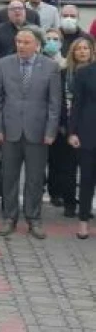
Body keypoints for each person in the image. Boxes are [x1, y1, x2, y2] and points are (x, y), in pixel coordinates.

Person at [0, 27, 61, 239]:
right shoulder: (3, 64)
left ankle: (34, 218)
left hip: (38, 132)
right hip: (10, 130)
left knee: (35, 178)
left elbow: (54, 103)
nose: (21, 46)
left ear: (37, 45)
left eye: (26, 42)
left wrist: (51, 131)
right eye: (18, 41)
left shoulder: (51, 67)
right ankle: (9, 217)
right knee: (9, 177)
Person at [52, 36, 92, 217]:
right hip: (65, 127)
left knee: (89, 171)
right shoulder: (62, 73)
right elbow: (56, 100)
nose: (82, 51)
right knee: (67, 169)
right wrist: (62, 124)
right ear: (72, 52)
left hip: (89, 128)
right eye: (79, 48)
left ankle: (85, 205)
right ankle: (69, 203)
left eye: (86, 48)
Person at [69, 38, 96, 238]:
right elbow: (76, 105)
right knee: (87, 179)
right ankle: (84, 221)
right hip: (89, 133)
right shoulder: (84, 73)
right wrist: (72, 132)